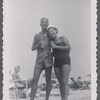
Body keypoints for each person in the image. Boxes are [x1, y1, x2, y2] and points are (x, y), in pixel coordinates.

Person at [31, 18, 53, 100]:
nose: (44, 23)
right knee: (34, 80)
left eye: (46, 22)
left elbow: (56, 44)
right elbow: (32, 48)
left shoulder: (50, 34)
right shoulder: (36, 35)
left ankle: (46, 99)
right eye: (43, 22)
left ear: (48, 24)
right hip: (39, 61)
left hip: (48, 60)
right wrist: (37, 45)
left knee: (48, 80)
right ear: (40, 24)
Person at [48, 27, 71, 100]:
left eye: (52, 31)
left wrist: (56, 46)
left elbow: (68, 47)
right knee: (60, 83)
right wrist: (49, 53)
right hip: (56, 62)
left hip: (65, 60)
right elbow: (55, 54)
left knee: (64, 81)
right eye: (49, 32)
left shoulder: (62, 38)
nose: (51, 33)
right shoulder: (52, 43)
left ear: (56, 31)